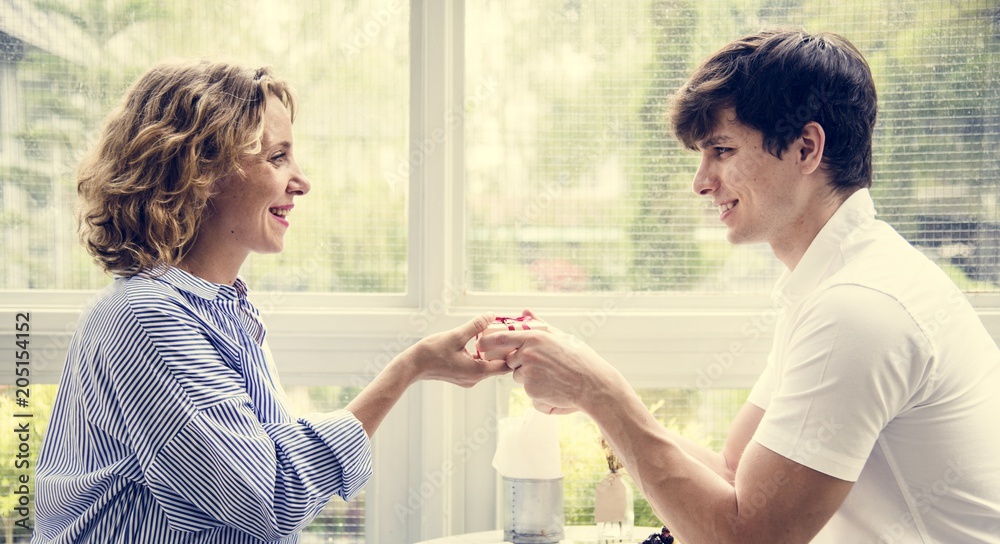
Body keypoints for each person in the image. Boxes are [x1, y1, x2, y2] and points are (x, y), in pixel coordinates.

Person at [478, 29, 1000, 543]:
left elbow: (746, 538)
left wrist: (601, 392)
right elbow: (734, 475)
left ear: (805, 148)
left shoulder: (859, 310)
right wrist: (592, 398)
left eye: (722, 150)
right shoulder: (837, 280)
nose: (701, 181)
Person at [33, 60, 509, 543]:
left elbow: (257, 462)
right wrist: (410, 368)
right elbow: (269, 499)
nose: (301, 181)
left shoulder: (221, 309)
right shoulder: (146, 319)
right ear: (200, 171)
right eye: (277, 157)